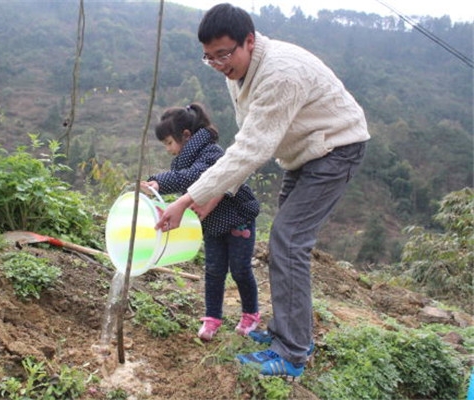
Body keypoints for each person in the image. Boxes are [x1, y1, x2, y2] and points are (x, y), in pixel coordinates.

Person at [154, 3, 370, 378]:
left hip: (334, 149)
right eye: (210, 58)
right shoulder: (235, 71)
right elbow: (247, 143)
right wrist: (214, 194)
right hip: (301, 153)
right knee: (283, 243)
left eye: (224, 54)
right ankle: (287, 333)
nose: (219, 64)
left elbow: (253, 148)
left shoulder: (279, 73)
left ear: (249, 42)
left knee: (288, 242)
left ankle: (292, 353)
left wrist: (189, 198)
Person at [141, 103, 260, 341]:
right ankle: (213, 317)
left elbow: (198, 177)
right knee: (214, 270)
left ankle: (250, 313)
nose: (168, 149)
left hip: (238, 219)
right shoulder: (184, 160)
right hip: (213, 225)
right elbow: (187, 192)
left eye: (168, 143)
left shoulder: (211, 154)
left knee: (240, 269)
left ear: (186, 136)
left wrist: (160, 182)